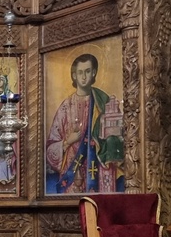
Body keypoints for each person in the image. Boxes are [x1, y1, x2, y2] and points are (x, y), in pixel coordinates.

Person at [46, 53, 124, 193]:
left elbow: (117, 133)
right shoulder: (66, 106)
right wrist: (67, 142)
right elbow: (50, 149)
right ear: (74, 75)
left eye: (87, 71)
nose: (83, 77)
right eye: (80, 72)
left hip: (97, 167)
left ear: (93, 73)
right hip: (71, 169)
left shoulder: (102, 101)